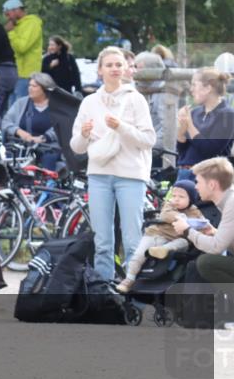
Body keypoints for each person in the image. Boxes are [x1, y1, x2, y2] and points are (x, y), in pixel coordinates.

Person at [70, 46, 156, 282]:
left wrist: (121, 127)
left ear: (126, 68)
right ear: (100, 70)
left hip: (131, 175)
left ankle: (134, 292)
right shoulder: (89, 102)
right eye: (109, 65)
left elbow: (149, 139)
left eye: (119, 64)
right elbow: (76, 147)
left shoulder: (135, 99)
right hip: (99, 174)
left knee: (132, 240)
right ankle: (103, 291)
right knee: (102, 242)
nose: (114, 69)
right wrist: (84, 134)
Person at [116, 180, 204, 293]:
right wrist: (183, 218)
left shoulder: (195, 211)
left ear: (191, 199)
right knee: (139, 254)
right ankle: (129, 279)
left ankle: (163, 250)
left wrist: (203, 227)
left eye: (181, 197)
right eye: (174, 196)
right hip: (156, 234)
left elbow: (202, 223)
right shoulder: (169, 205)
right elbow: (165, 215)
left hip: (176, 239)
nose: (176, 199)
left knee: (184, 243)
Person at [177, 157, 234, 285]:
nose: (195, 187)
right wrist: (214, 232)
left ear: (212, 185)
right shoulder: (229, 199)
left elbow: (216, 248)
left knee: (206, 262)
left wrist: (187, 231)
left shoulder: (231, 203)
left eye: (198, 182)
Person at [177, 68, 234, 181]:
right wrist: (182, 129)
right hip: (184, 173)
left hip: (208, 177)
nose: (191, 89)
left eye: (194, 85)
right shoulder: (195, 112)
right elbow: (182, 150)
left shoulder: (227, 115)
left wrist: (190, 125)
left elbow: (210, 150)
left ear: (208, 88)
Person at [0, 72, 61, 170]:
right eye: (29, 85)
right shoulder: (21, 103)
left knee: (49, 158)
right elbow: (6, 122)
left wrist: (43, 138)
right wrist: (19, 132)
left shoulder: (57, 106)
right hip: (22, 144)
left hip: (48, 147)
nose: (30, 88)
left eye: (34, 86)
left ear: (44, 89)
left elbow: (62, 127)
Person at [3, 0, 43, 100]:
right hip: (17, 73)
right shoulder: (17, 25)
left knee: (21, 106)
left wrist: (11, 32)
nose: (8, 18)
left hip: (27, 74)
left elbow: (22, 47)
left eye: (8, 14)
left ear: (17, 10)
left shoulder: (32, 23)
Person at [133, 51, 167, 149]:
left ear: (152, 70)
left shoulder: (163, 91)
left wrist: (148, 146)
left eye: (139, 68)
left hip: (155, 147)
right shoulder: (140, 88)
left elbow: (167, 128)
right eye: (134, 67)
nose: (135, 71)